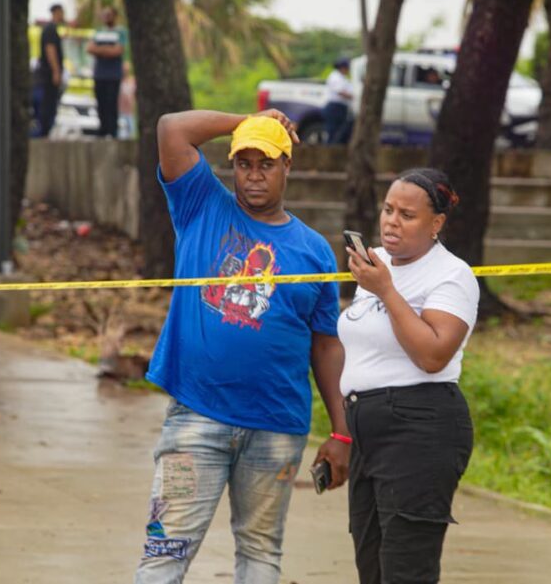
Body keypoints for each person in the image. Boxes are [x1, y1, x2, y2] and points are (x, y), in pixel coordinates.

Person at [135, 109, 350, 583]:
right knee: (163, 551)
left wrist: (342, 431)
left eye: (266, 163)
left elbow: (326, 346)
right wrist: (249, 119)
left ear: (287, 166)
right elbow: (171, 127)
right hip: (196, 419)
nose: (253, 175)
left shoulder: (314, 251)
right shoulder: (201, 206)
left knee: (260, 554)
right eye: (244, 163)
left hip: (276, 428)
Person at [339, 168, 479, 584]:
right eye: (387, 209)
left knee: (406, 570)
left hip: (419, 427)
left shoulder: (452, 275)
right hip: (368, 429)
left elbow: (433, 355)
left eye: (407, 214)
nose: (391, 222)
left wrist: (386, 291)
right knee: (372, 567)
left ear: (436, 224)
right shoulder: (375, 264)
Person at [86, 6, 127, 138]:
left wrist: (100, 49)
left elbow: (118, 51)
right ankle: (102, 129)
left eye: (109, 14)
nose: (106, 17)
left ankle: (112, 130)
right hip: (100, 74)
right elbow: (90, 48)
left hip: (113, 75)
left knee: (112, 103)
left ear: (115, 16)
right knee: (101, 103)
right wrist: (108, 50)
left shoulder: (121, 32)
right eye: (104, 15)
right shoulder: (98, 31)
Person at [33, 4, 66, 138]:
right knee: (48, 106)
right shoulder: (50, 29)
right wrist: (56, 71)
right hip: (47, 76)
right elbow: (50, 50)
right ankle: (43, 132)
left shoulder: (51, 29)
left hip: (47, 75)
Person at [322, 57, 354, 144]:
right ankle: (329, 150)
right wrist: (354, 97)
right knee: (332, 131)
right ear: (342, 67)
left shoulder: (344, 78)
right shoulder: (335, 76)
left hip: (341, 108)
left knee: (340, 132)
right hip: (334, 107)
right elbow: (340, 92)